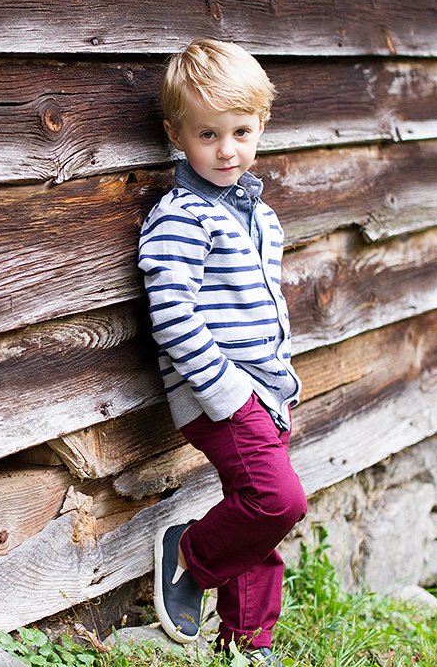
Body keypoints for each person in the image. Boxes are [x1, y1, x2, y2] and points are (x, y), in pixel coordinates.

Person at [137, 38, 307, 664]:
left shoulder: (260, 218)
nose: (227, 150)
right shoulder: (181, 216)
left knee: (258, 519)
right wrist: (227, 393)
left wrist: (280, 381)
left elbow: (269, 306)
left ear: (261, 125)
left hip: (267, 389)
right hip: (222, 393)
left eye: (240, 131)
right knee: (278, 501)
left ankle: (248, 643)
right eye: (208, 134)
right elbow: (172, 313)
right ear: (176, 134)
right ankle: (189, 552)